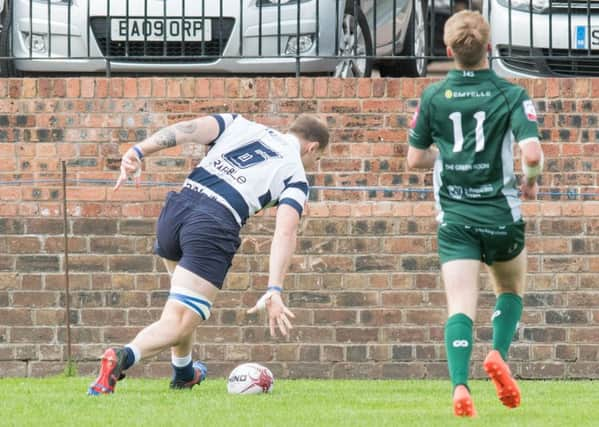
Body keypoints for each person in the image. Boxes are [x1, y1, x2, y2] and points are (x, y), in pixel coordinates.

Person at [88, 113, 329, 395]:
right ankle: (122, 357)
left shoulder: (240, 123)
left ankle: (184, 373)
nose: (315, 164)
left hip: (177, 209)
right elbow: (285, 233)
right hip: (214, 223)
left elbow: (185, 130)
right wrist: (274, 288)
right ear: (312, 147)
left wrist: (138, 151)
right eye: (319, 158)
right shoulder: (297, 177)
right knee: (179, 320)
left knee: (180, 309)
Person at [406, 11, 543, 417]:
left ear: (448, 51)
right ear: (488, 48)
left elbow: (415, 159)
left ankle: (459, 387)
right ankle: (498, 353)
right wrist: (531, 179)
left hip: (455, 218)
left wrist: (442, 153)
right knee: (510, 291)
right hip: (501, 215)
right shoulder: (511, 94)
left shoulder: (433, 97)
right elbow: (532, 154)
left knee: (460, 305)